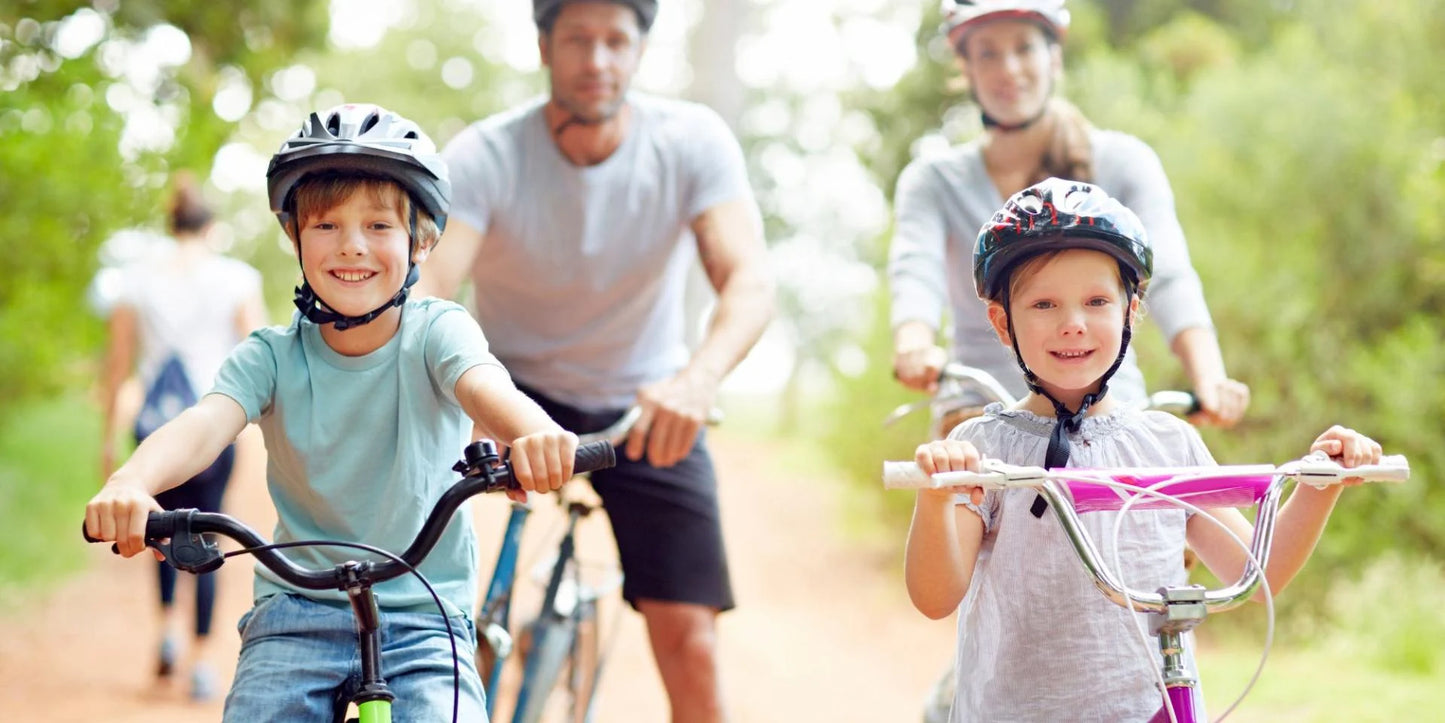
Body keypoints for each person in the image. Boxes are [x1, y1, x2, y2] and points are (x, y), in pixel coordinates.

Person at [84, 103, 579, 722]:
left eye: (378, 225)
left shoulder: (437, 333)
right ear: (294, 235)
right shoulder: (271, 355)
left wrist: (534, 435)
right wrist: (131, 481)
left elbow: (485, 388)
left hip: (425, 618)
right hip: (297, 612)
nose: (352, 246)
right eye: (326, 226)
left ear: (419, 239)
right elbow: (204, 424)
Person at [902, 178, 1383, 721]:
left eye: (1096, 301)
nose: (1073, 323)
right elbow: (935, 597)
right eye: (1043, 303)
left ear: (1130, 313)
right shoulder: (982, 448)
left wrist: (1321, 487)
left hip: (1148, 707)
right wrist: (936, 497)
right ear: (1002, 323)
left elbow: (1256, 574)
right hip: (1016, 710)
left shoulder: (1167, 444)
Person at [417, 1, 774, 719]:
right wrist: (471, 396)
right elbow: (427, 286)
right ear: (544, 46)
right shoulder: (486, 154)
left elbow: (749, 281)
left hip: (645, 407)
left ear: (641, 50)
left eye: (616, 40)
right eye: (577, 39)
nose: (597, 59)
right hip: (510, 396)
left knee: (690, 642)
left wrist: (694, 383)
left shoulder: (691, 140)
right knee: (440, 616)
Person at [889, 0, 1251, 427]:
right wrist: (914, 343)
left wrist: (1209, 378)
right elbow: (917, 270)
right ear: (965, 69)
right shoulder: (935, 181)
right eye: (988, 53)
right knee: (955, 487)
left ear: (1054, 58)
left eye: (1024, 48)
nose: (1008, 68)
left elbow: (1169, 276)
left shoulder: (1123, 162)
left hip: (1110, 411)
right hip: (983, 416)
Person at [97, 172, 267, 701]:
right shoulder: (236, 277)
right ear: (210, 226)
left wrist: (107, 437)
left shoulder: (136, 279)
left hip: (153, 430)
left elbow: (118, 364)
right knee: (209, 537)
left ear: (170, 224)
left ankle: (167, 633)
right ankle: (198, 661)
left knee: (159, 533)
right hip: (212, 426)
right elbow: (257, 352)